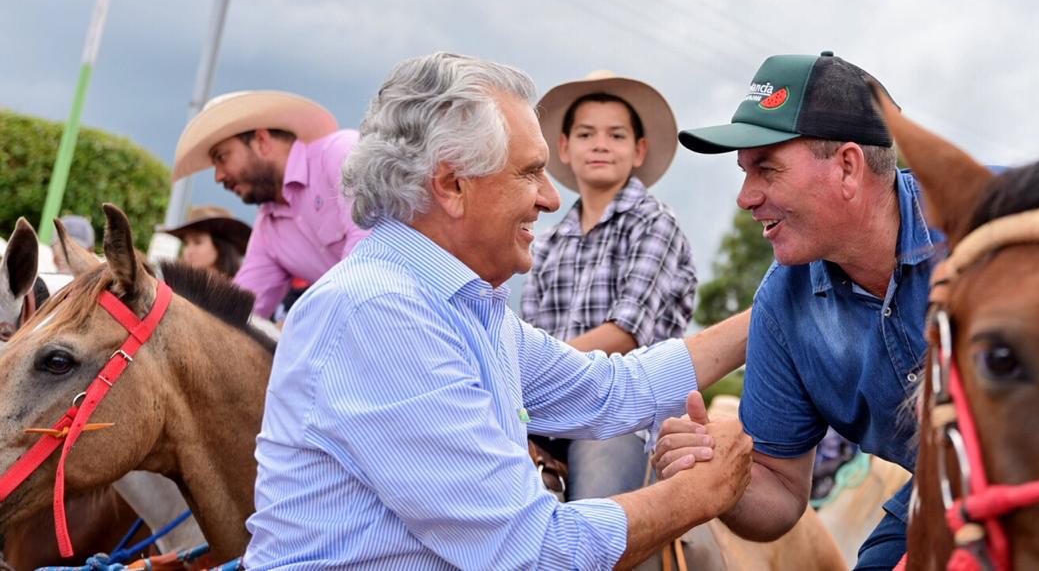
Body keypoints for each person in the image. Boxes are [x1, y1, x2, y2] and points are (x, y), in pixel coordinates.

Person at [245, 52, 754, 570]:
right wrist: (698, 494)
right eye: (531, 173)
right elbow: (532, 553)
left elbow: (610, 387)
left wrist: (762, 321)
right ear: (451, 185)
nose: (550, 198)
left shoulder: (459, 304)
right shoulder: (380, 314)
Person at [652, 51, 940, 570]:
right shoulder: (781, 308)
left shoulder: (996, 215)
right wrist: (722, 477)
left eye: (766, 168)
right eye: (745, 172)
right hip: (947, 489)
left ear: (848, 167)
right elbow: (780, 493)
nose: (745, 197)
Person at [524, 70, 699, 504]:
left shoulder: (655, 223)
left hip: (622, 415)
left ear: (638, 150)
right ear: (564, 147)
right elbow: (526, 336)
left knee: (597, 519)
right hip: (545, 411)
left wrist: (531, 371)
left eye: (616, 135)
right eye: (586, 134)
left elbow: (626, 333)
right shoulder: (546, 242)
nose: (600, 144)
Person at [171, 90, 368, 319]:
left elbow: (369, 251)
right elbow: (236, 311)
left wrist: (303, 323)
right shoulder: (268, 230)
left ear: (262, 142)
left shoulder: (340, 153)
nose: (218, 176)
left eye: (222, 157)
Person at [157, 205, 252, 278]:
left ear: (220, 247)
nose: (188, 252)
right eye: (186, 244)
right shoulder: (177, 290)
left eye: (197, 242)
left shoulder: (242, 290)